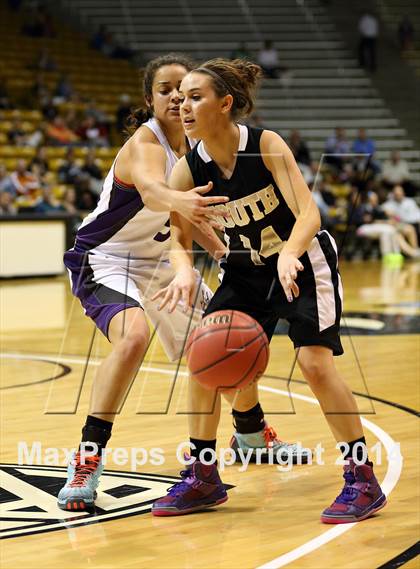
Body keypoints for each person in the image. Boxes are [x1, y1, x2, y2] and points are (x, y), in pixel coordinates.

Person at [57, 54, 297, 512]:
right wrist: (180, 200)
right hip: (107, 259)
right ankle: (88, 457)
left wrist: (233, 256)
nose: (175, 98)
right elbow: (153, 193)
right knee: (133, 339)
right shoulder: (145, 145)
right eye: (164, 90)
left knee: (223, 339)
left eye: (183, 90)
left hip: (165, 262)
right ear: (149, 101)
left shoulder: (200, 150)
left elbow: (195, 222)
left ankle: (249, 431)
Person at [152, 58, 386, 523]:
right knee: (204, 363)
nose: (183, 105)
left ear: (226, 104)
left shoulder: (265, 145)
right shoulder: (187, 168)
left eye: (195, 96)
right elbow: (179, 237)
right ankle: (203, 476)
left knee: (314, 364)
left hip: (302, 261)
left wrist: (289, 253)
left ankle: (362, 480)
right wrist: (186, 267)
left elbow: (309, 215)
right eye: (179, 98)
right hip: (244, 270)